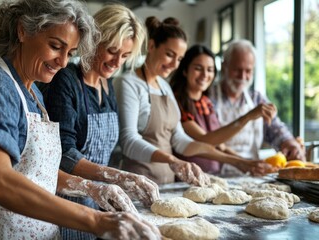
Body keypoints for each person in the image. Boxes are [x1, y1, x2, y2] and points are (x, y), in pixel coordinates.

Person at [0, 1, 161, 239]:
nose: (63, 62)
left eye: (71, 53)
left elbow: (38, 173)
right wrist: (96, 220)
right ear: (23, 30)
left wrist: (92, 188)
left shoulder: (32, 92)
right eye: (56, 46)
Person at [42, 4, 159, 239]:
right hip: (66, 204)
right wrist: (116, 177)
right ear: (95, 40)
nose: (117, 61)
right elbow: (63, 154)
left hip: (99, 203)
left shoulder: (107, 85)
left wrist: (118, 183)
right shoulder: (66, 80)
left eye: (125, 55)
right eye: (112, 50)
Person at [113, 17, 272, 186]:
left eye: (179, 59)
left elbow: (180, 141)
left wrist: (239, 162)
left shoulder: (164, 87)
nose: (174, 64)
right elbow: (128, 140)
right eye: (169, 55)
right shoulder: (128, 83)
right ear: (151, 46)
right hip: (138, 183)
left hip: (168, 183)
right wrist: (171, 159)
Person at [170, 44, 277, 174]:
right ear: (185, 70)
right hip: (188, 175)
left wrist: (249, 163)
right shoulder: (177, 101)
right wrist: (247, 117)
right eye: (198, 68)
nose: (205, 75)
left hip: (213, 175)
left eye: (210, 69)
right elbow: (206, 140)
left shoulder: (206, 101)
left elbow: (220, 145)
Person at [208, 39, 306, 165]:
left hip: (252, 174)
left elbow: (275, 129)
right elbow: (209, 141)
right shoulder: (209, 97)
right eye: (237, 70)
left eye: (248, 71)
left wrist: (289, 143)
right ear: (224, 66)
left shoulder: (257, 99)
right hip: (216, 174)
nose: (243, 76)